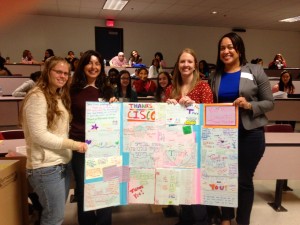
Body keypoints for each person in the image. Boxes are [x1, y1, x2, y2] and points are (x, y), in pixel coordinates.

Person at [209, 32, 274, 225]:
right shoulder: (215, 75)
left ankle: (242, 221)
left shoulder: (255, 70)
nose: (226, 51)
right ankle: (226, 218)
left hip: (250, 134)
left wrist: (249, 105)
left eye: (231, 47)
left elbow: (269, 103)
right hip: (222, 135)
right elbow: (209, 103)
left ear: (239, 49)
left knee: (243, 180)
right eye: (222, 48)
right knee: (224, 178)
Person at [21, 56, 88, 225]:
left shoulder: (57, 95)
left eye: (66, 73)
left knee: (54, 215)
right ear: (47, 72)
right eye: (58, 71)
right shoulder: (37, 97)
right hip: (45, 168)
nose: (63, 76)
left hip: (60, 165)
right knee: (54, 218)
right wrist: (74, 145)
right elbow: (39, 135)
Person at [165, 48, 213, 225]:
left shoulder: (203, 87)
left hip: (197, 146)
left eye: (189, 62)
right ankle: (185, 219)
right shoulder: (171, 88)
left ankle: (201, 221)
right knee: (182, 189)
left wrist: (194, 106)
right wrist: (167, 105)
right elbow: (165, 121)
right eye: (182, 61)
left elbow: (209, 116)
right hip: (176, 146)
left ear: (195, 65)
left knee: (196, 190)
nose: (186, 65)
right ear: (178, 65)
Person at [70, 50, 117, 225]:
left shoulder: (107, 90)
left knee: (106, 187)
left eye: (97, 63)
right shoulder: (73, 90)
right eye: (89, 63)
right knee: (83, 190)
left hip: (104, 147)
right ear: (82, 66)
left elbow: (113, 119)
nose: (94, 67)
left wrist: (114, 105)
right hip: (80, 146)